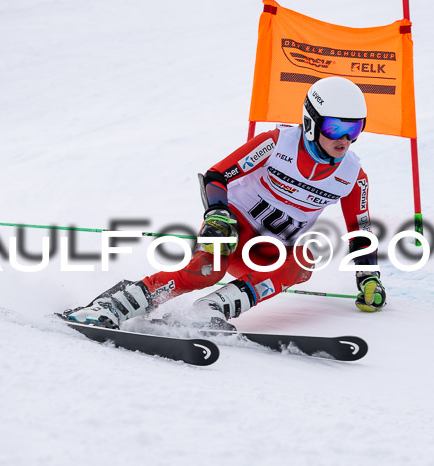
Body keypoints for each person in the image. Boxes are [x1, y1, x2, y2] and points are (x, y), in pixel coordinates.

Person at [63, 76, 386, 330]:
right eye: (335, 127)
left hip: (268, 251)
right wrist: (217, 214)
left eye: (354, 128)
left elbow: (359, 229)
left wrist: (368, 278)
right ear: (312, 122)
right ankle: (111, 306)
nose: (344, 138)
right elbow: (217, 176)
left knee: (302, 263)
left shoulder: (352, 175)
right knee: (205, 271)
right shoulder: (276, 144)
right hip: (232, 228)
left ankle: (209, 312)